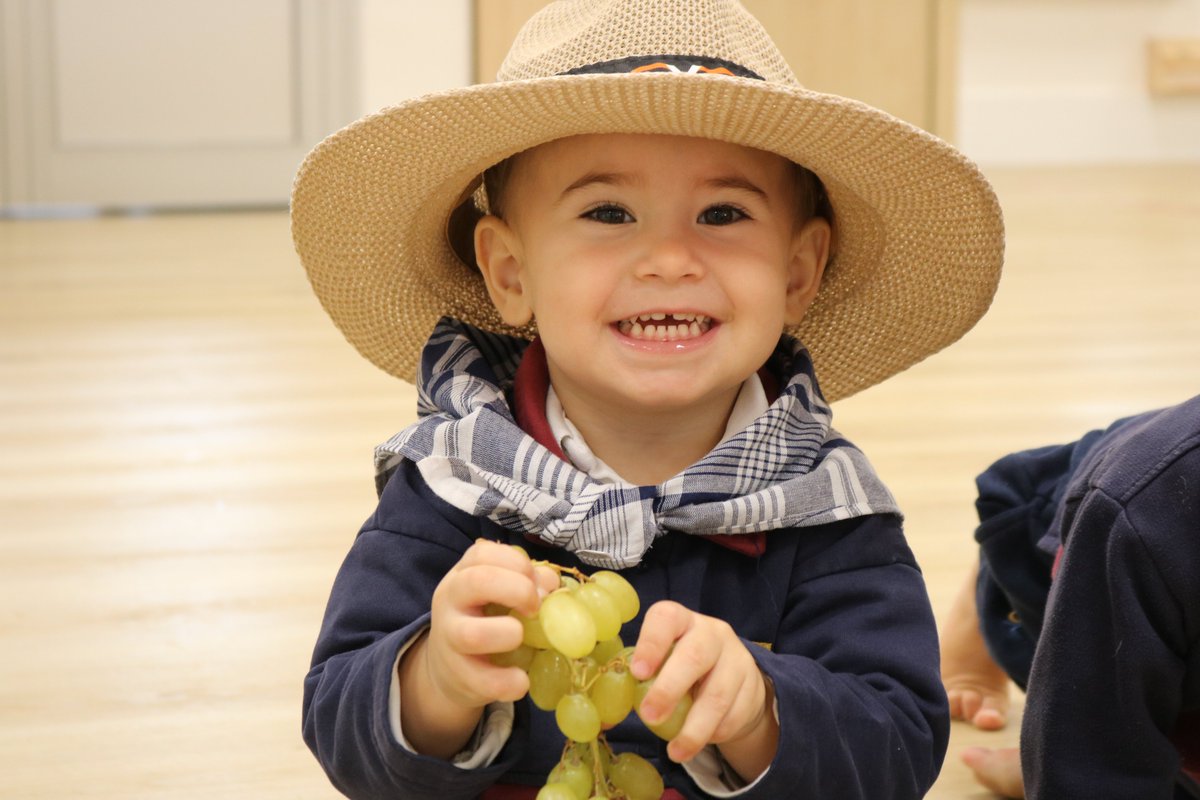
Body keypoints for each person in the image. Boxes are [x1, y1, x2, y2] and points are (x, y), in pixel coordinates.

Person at [291, 1, 1004, 798]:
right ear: (509, 273)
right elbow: (338, 721)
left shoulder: (828, 506)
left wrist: (764, 712)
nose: (669, 259)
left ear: (799, 272)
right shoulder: (455, 480)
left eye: (723, 213)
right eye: (608, 212)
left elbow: (899, 748)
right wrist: (433, 683)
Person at [940, 395, 1200, 799]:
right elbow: (1092, 734)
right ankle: (989, 584)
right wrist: (1061, 767)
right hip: (1066, 556)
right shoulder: (1140, 516)